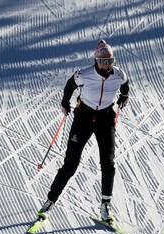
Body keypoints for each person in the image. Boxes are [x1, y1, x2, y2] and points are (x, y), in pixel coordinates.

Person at [37, 39, 129, 224]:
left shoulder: (119, 75)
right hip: (84, 118)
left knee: (108, 163)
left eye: (110, 61)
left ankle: (105, 206)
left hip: (105, 119)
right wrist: (65, 102)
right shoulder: (85, 74)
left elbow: (125, 86)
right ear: (96, 60)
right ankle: (50, 201)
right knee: (70, 164)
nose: (107, 65)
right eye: (103, 61)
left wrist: (124, 97)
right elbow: (70, 85)